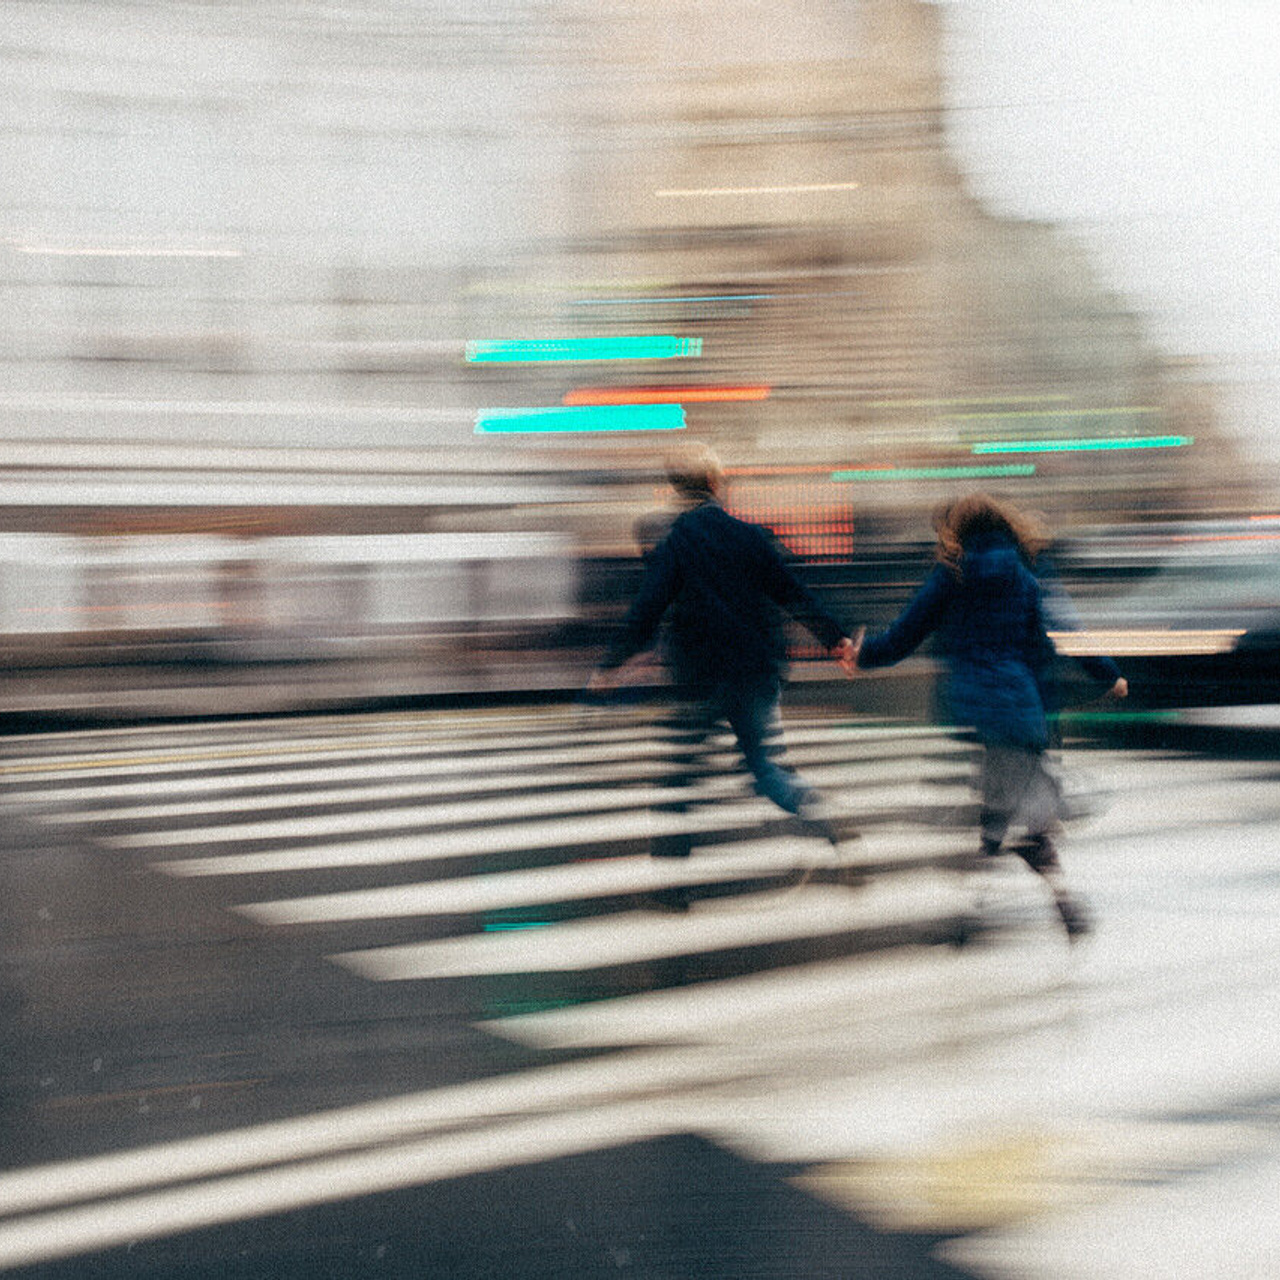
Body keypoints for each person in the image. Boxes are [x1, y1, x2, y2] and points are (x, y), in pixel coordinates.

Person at [588, 443, 859, 899]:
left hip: (700, 676)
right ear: (716, 484)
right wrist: (836, 641)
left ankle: (671, 890)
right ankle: (814, 811)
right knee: (762, 766)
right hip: (756, 672)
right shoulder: (751, 535)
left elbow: (646, 609)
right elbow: (794, 594)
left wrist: (611, 666)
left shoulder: (677, 542)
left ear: (677, 489)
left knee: (680, 776)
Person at [852, 493, 1127, 940]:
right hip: (1022, 708)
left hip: (978, 709)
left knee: (1004, 817)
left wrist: (862, 656)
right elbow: (1064, 631)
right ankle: (1048, 908)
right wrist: (1108, 673)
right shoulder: (1028, 574)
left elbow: (906, 633)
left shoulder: (953, 574)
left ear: (957, 532)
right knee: (1013, 815)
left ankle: (988, 912)